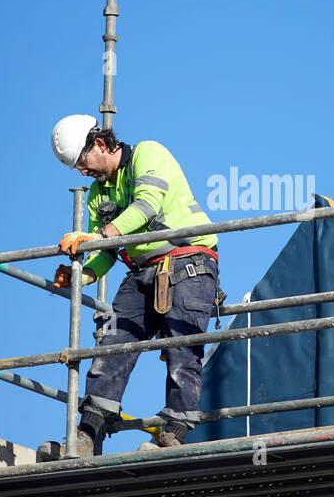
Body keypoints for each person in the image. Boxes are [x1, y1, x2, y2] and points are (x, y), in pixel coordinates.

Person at [37, 114, 219, 460]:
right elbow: (103, 255)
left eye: (82, 161)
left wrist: (98, 237)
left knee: (183, 347)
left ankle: (174, 434)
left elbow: (146, 205)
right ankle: (88, 434)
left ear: (101, 144)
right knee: (111, 343)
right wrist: (80, 275)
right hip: (142, 271)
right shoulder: (97, 194)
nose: (82, 171)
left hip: (190, 261)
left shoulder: (149, 154)